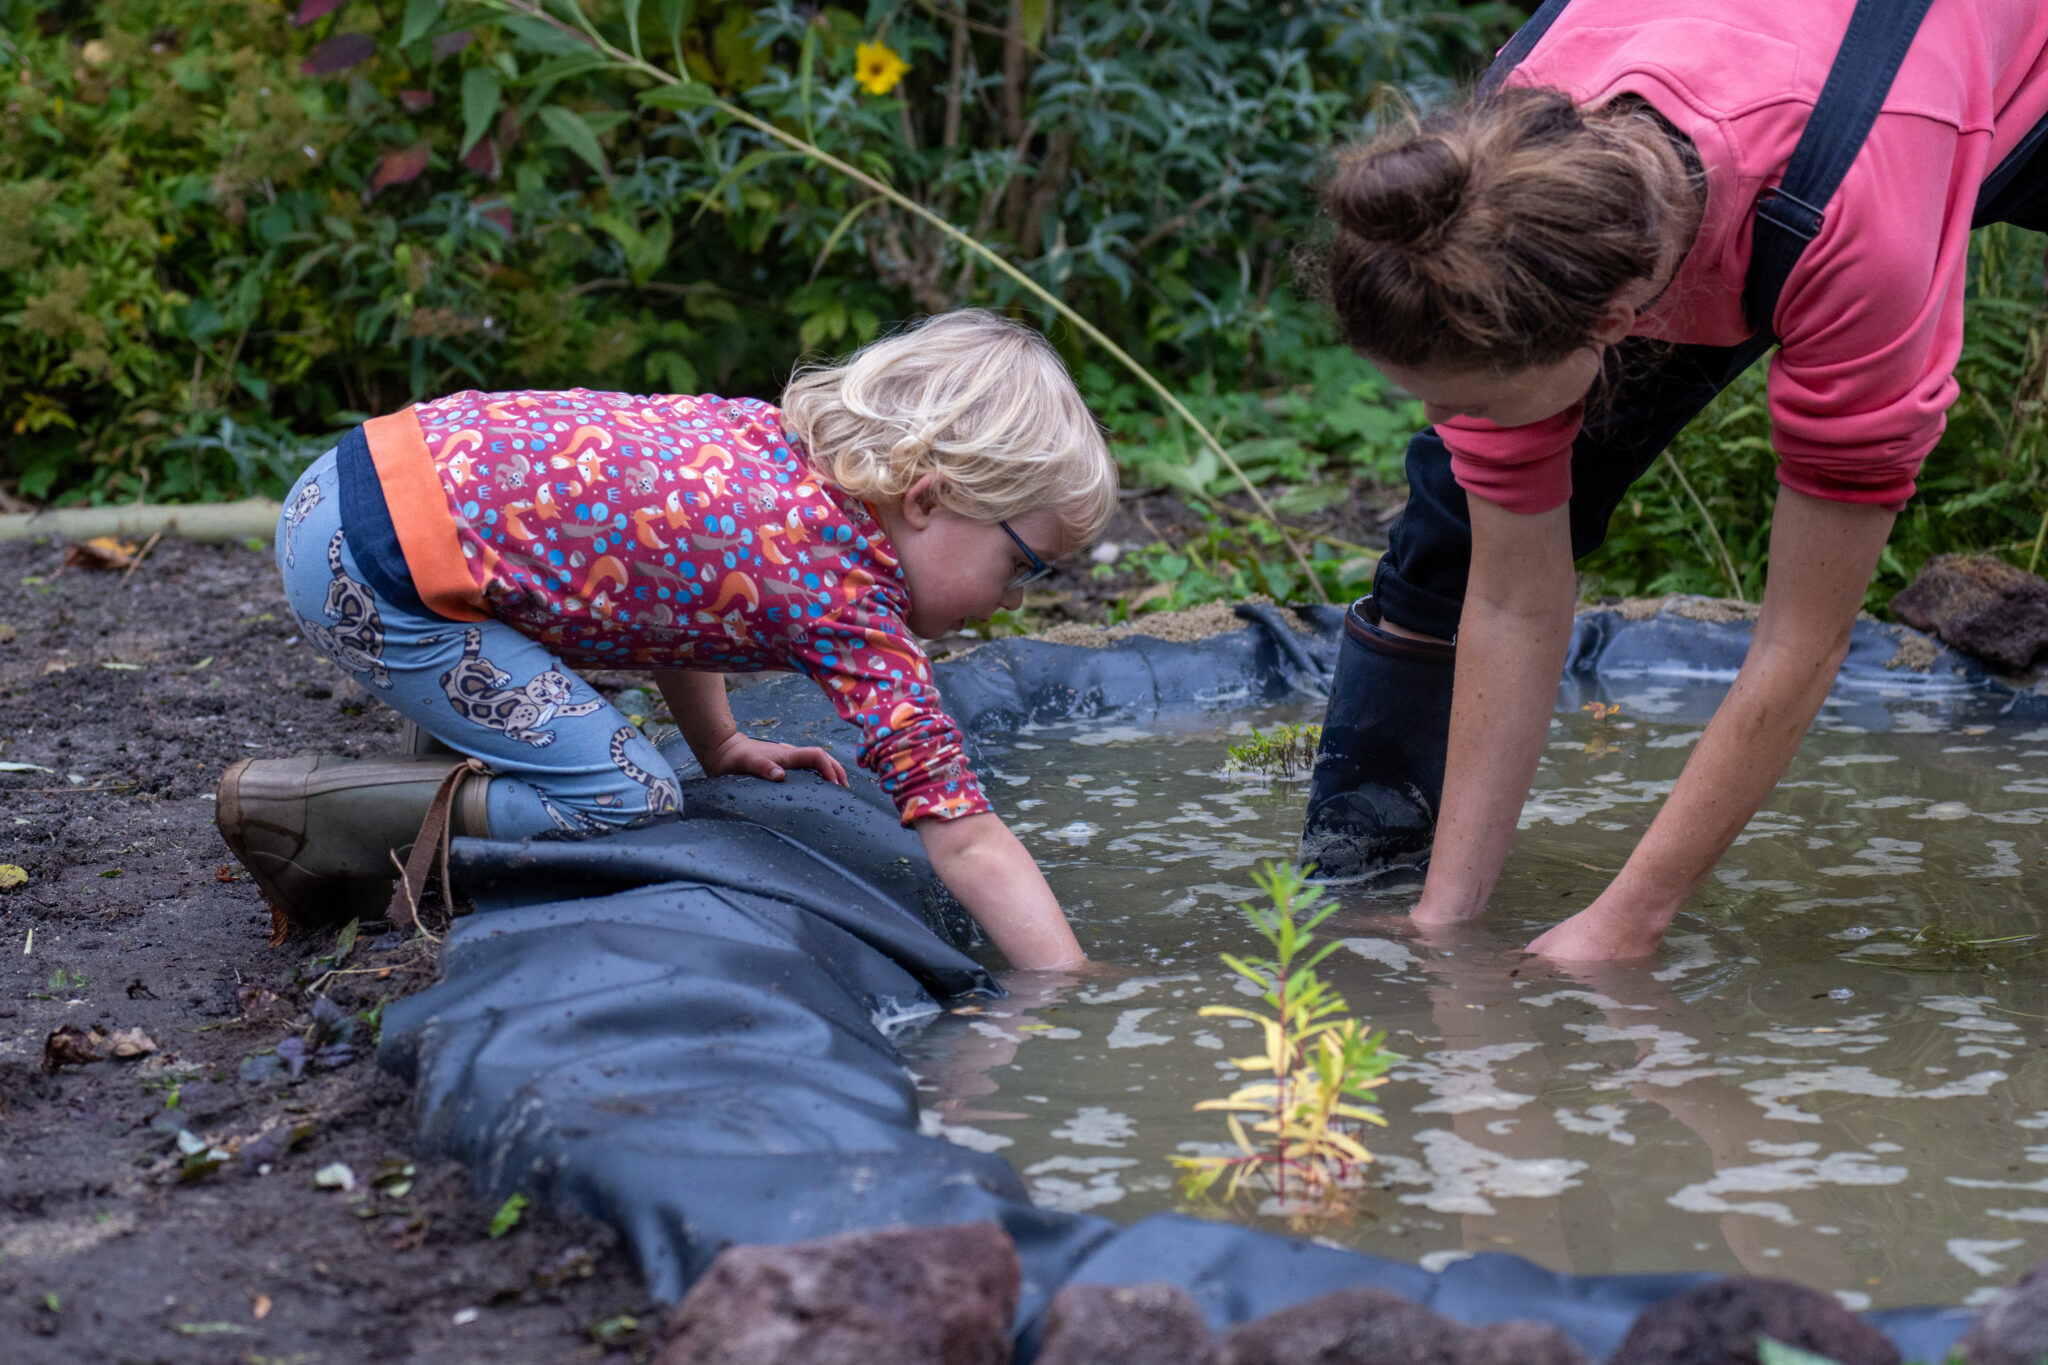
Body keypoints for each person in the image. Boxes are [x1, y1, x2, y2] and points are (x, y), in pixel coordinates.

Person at [1300, 0, 2048, 959]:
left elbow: (1799, 640)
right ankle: (1379, 862)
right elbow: (1513, 599)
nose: (1451, 429)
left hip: (1918, 94)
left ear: (1615, 325)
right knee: (1454, 519)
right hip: (1761, 125)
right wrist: (1444, 926)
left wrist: (1626, 921)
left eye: (1472, 403)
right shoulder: (1490, 186)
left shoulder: (1854, 227)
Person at [215, 310, 1111, 970]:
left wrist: (717, 741)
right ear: (927, 498)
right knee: (630, 795)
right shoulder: (843, 591)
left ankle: (442, 749)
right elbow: (965, 833)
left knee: (615, 747)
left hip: (359, 485)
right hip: (376, 574)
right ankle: (323, 821)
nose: (1011, 604)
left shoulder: (775, 454)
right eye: (1023, 564)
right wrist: (1071, 985)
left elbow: (674, 599)